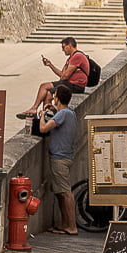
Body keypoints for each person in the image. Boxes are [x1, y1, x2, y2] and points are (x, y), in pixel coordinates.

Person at [30, 84, 82, 233]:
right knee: (60, 193)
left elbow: (43, 128)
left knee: (65, 193)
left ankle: (71, 226)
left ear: (58, 98)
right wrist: (54, 110)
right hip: (65, 157)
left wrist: (42, 116)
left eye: (54, 96)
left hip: (60, 159)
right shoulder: (69, 113)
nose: (53, 98)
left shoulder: (63, 114)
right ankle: (65, 224)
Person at [18, 37, 89, 118]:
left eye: (63, 47)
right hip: (71, 84)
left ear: (69, 45)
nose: (63, 50)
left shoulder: (77, 56)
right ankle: (47, 114)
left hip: (76, 85)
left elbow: (64, 76)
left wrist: (63, 76)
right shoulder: (71, 58)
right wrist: (50, 65)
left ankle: (34, 109)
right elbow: (62, 74)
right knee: (48, 93)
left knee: (44, 86)